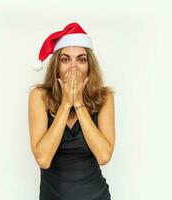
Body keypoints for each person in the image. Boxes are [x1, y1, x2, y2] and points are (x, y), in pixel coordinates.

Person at [28, 22, 116, 200]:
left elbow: (104, 156)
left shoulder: (104, 97)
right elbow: (43, 159)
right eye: (65, 59)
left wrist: (79, 105)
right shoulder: (39, 96)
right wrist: (65, 105)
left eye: (81, 60)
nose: (73, 66)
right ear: (56, 67)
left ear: (89, 67)